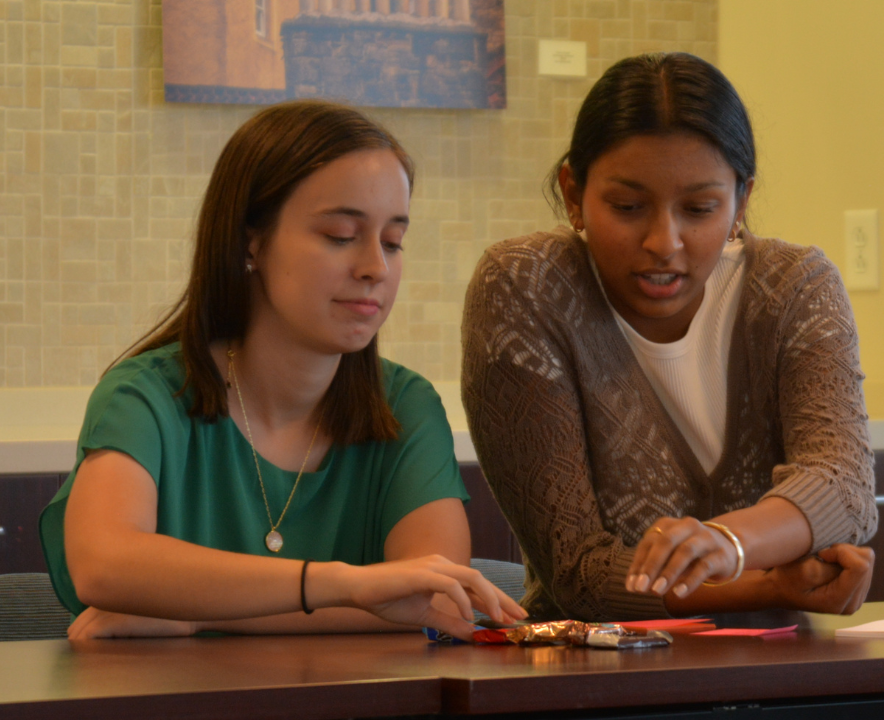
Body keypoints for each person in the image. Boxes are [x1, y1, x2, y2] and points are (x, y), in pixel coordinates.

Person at [40, 101, 525, 640]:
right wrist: (348, 587)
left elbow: (434, 602)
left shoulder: (404, 405)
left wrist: (195, 610)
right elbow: (105, 565)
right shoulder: (146, 396)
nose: (375, 268)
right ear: (251, 241)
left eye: (393, 242)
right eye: (342, 235)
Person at [461, 53, 877, 622]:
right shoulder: (529, 285)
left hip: (775, 676)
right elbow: (576, 570)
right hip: (595, 680)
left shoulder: (794, 287)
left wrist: (727, 544)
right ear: (573, 192)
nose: (664, 241)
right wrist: (767, 587)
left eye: (699, 208)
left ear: (741, 202)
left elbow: (843, 485)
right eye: (628, 206)